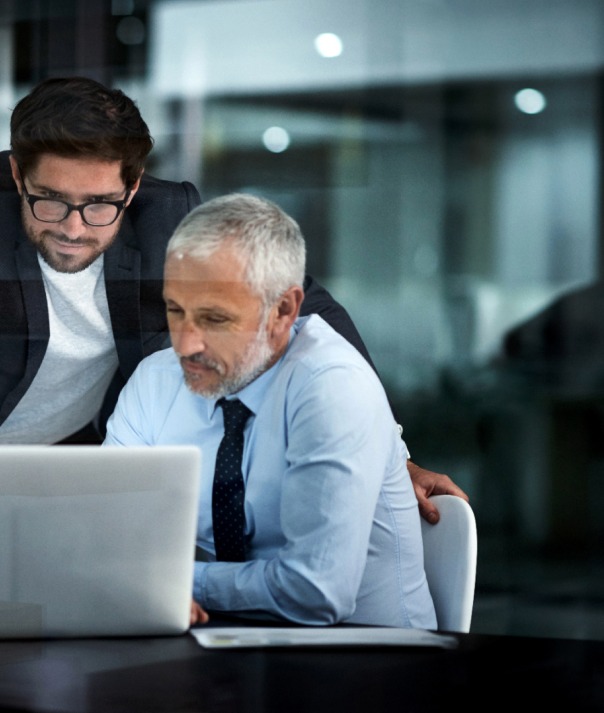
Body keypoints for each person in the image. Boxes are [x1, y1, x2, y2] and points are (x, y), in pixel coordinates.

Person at [0, 76, 464, 531]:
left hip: (65, 467)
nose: (74, 228)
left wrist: (395, 457)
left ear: (134, 185)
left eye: (100, 204)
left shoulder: (169, 217)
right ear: (18, 174)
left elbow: (307, 310)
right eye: (50, 200)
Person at [106, 194, 436, 628]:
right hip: (226, 652)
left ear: (283, 311)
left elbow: (315, 593)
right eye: (175, 310)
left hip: (368, 663)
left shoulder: (331, 385)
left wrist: (173, 581)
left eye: (214, 319)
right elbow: (105, 542)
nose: (185, 345)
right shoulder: (156, 380)